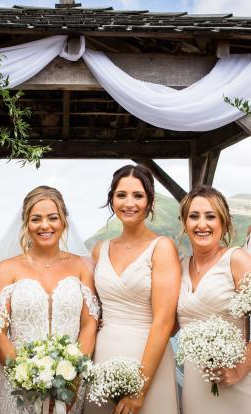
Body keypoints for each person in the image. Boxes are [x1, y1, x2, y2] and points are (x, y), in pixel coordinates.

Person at [0, 185, 99, 414]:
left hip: (70, 386)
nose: (45, 226)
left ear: (64, 221)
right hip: (17, 386)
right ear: (26, 224)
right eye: (36, 219)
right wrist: (25, 379)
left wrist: (74, 379)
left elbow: (89, 324)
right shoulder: (7, 269)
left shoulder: (82, 267)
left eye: (52, 218)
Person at [84, 165, 181, 414]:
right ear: (112, 199)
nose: (129, 203)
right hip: (104, 356)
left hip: (148, 359)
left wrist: (140, 388)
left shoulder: (162, 247)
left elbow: (164, 321)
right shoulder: (99, 250)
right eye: (121, 195)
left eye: (138, 195)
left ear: (149, 200)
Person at [177, 185, 251, 414]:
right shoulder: (179, 267)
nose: (202, 224)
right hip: (194, 383)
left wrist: (240, 369)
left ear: (224, 223)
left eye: (210, 216)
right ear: (184, 223)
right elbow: (167, 323)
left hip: (236, 381)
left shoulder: (237, 260)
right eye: (194, 217)